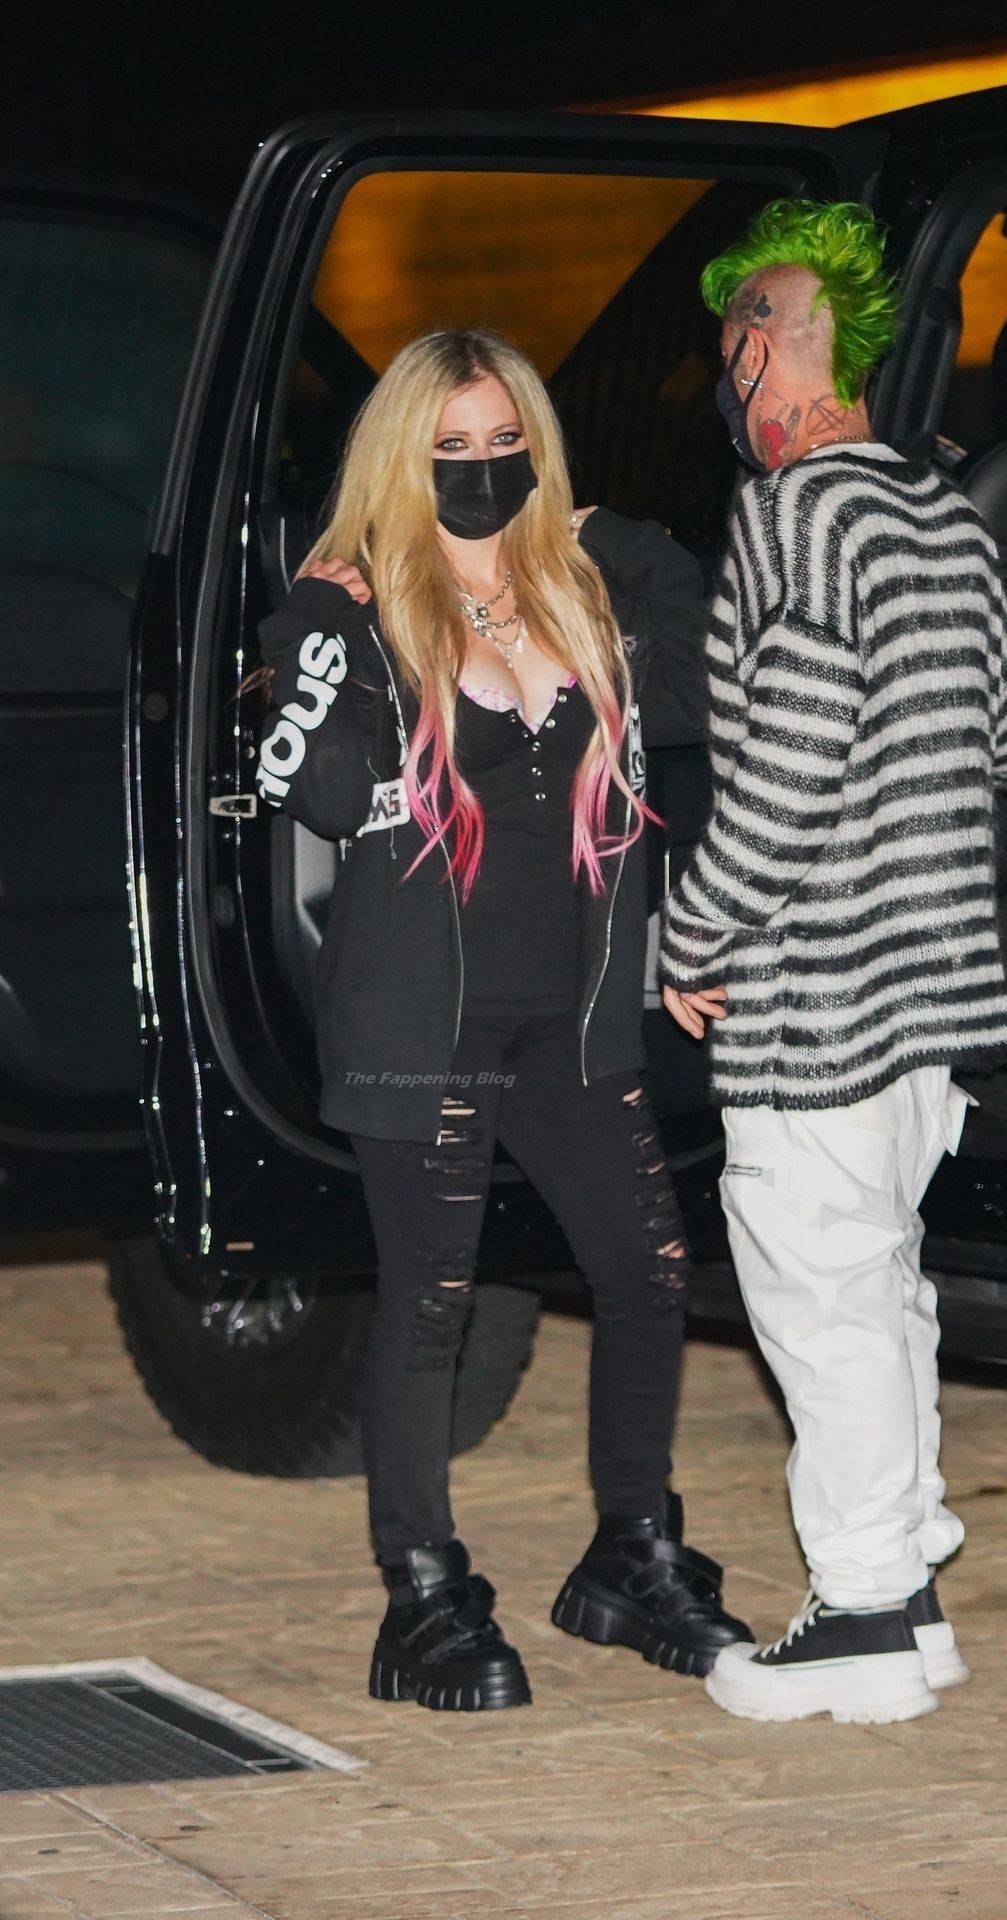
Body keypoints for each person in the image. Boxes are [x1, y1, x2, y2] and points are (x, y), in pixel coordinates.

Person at [252, 328, 752, 1713]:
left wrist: (607, 532)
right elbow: (314, 783)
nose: (481, 471)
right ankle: (420, 1595)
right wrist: (317, 624)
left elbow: (711, 664)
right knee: (434, 1304)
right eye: (451, 450)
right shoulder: (355, 612)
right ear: (401, 461)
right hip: (426, 1020)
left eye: (503, 444)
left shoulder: (584, 595)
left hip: (571, 1017)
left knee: (649, 1272)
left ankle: (631, 1552)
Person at [659, 200, 1007, 1725]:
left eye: (727, 350)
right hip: (934, 998)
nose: (724, 386)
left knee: (821, 1299)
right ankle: (911, 1595)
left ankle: (868, 1612)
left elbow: (791, 764)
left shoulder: (795, 516)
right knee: (882, 1287)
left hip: (815, 993)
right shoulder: (946, 516)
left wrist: (692, 930)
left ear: (765, 348)